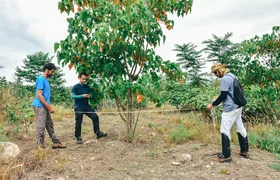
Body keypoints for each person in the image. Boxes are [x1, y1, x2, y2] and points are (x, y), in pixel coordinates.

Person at [206, 63, 249, 163]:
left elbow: (223, 95)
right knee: (240, 127)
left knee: (224, 130)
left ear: (219, 70)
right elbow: (229, 93)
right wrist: (218, 100)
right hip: (238, 106)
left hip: (230, 109)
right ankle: (244, 151)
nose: (215, 75)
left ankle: (226, 156)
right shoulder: (233, 76)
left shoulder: (225, 79)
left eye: (215, 72)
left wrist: (212, 104)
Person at [32, 63, 66, 149]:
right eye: (52, 71)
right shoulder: (41, 79)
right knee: (41, 126)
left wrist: (48, 106)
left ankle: (56, 142)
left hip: (44, 106)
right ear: (46, 70)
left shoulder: (45, 80)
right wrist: (49, 107)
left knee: (49, 125)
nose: (53, 73)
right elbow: (39, 95)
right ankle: (39, 146)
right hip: (40, 106)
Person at [72, 72, 107, 144]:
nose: (84, 80)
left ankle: (97, 132)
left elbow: (91, 95)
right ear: (79, 78)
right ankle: (78, 137)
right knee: (78, 122)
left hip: (87, 106)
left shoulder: (87, 87)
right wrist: (82, 96)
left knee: (95, 117)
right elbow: (73, 96)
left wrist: (89, 96)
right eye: (83, 79)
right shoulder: (75, 87)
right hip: (78, 107)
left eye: (85, 79)